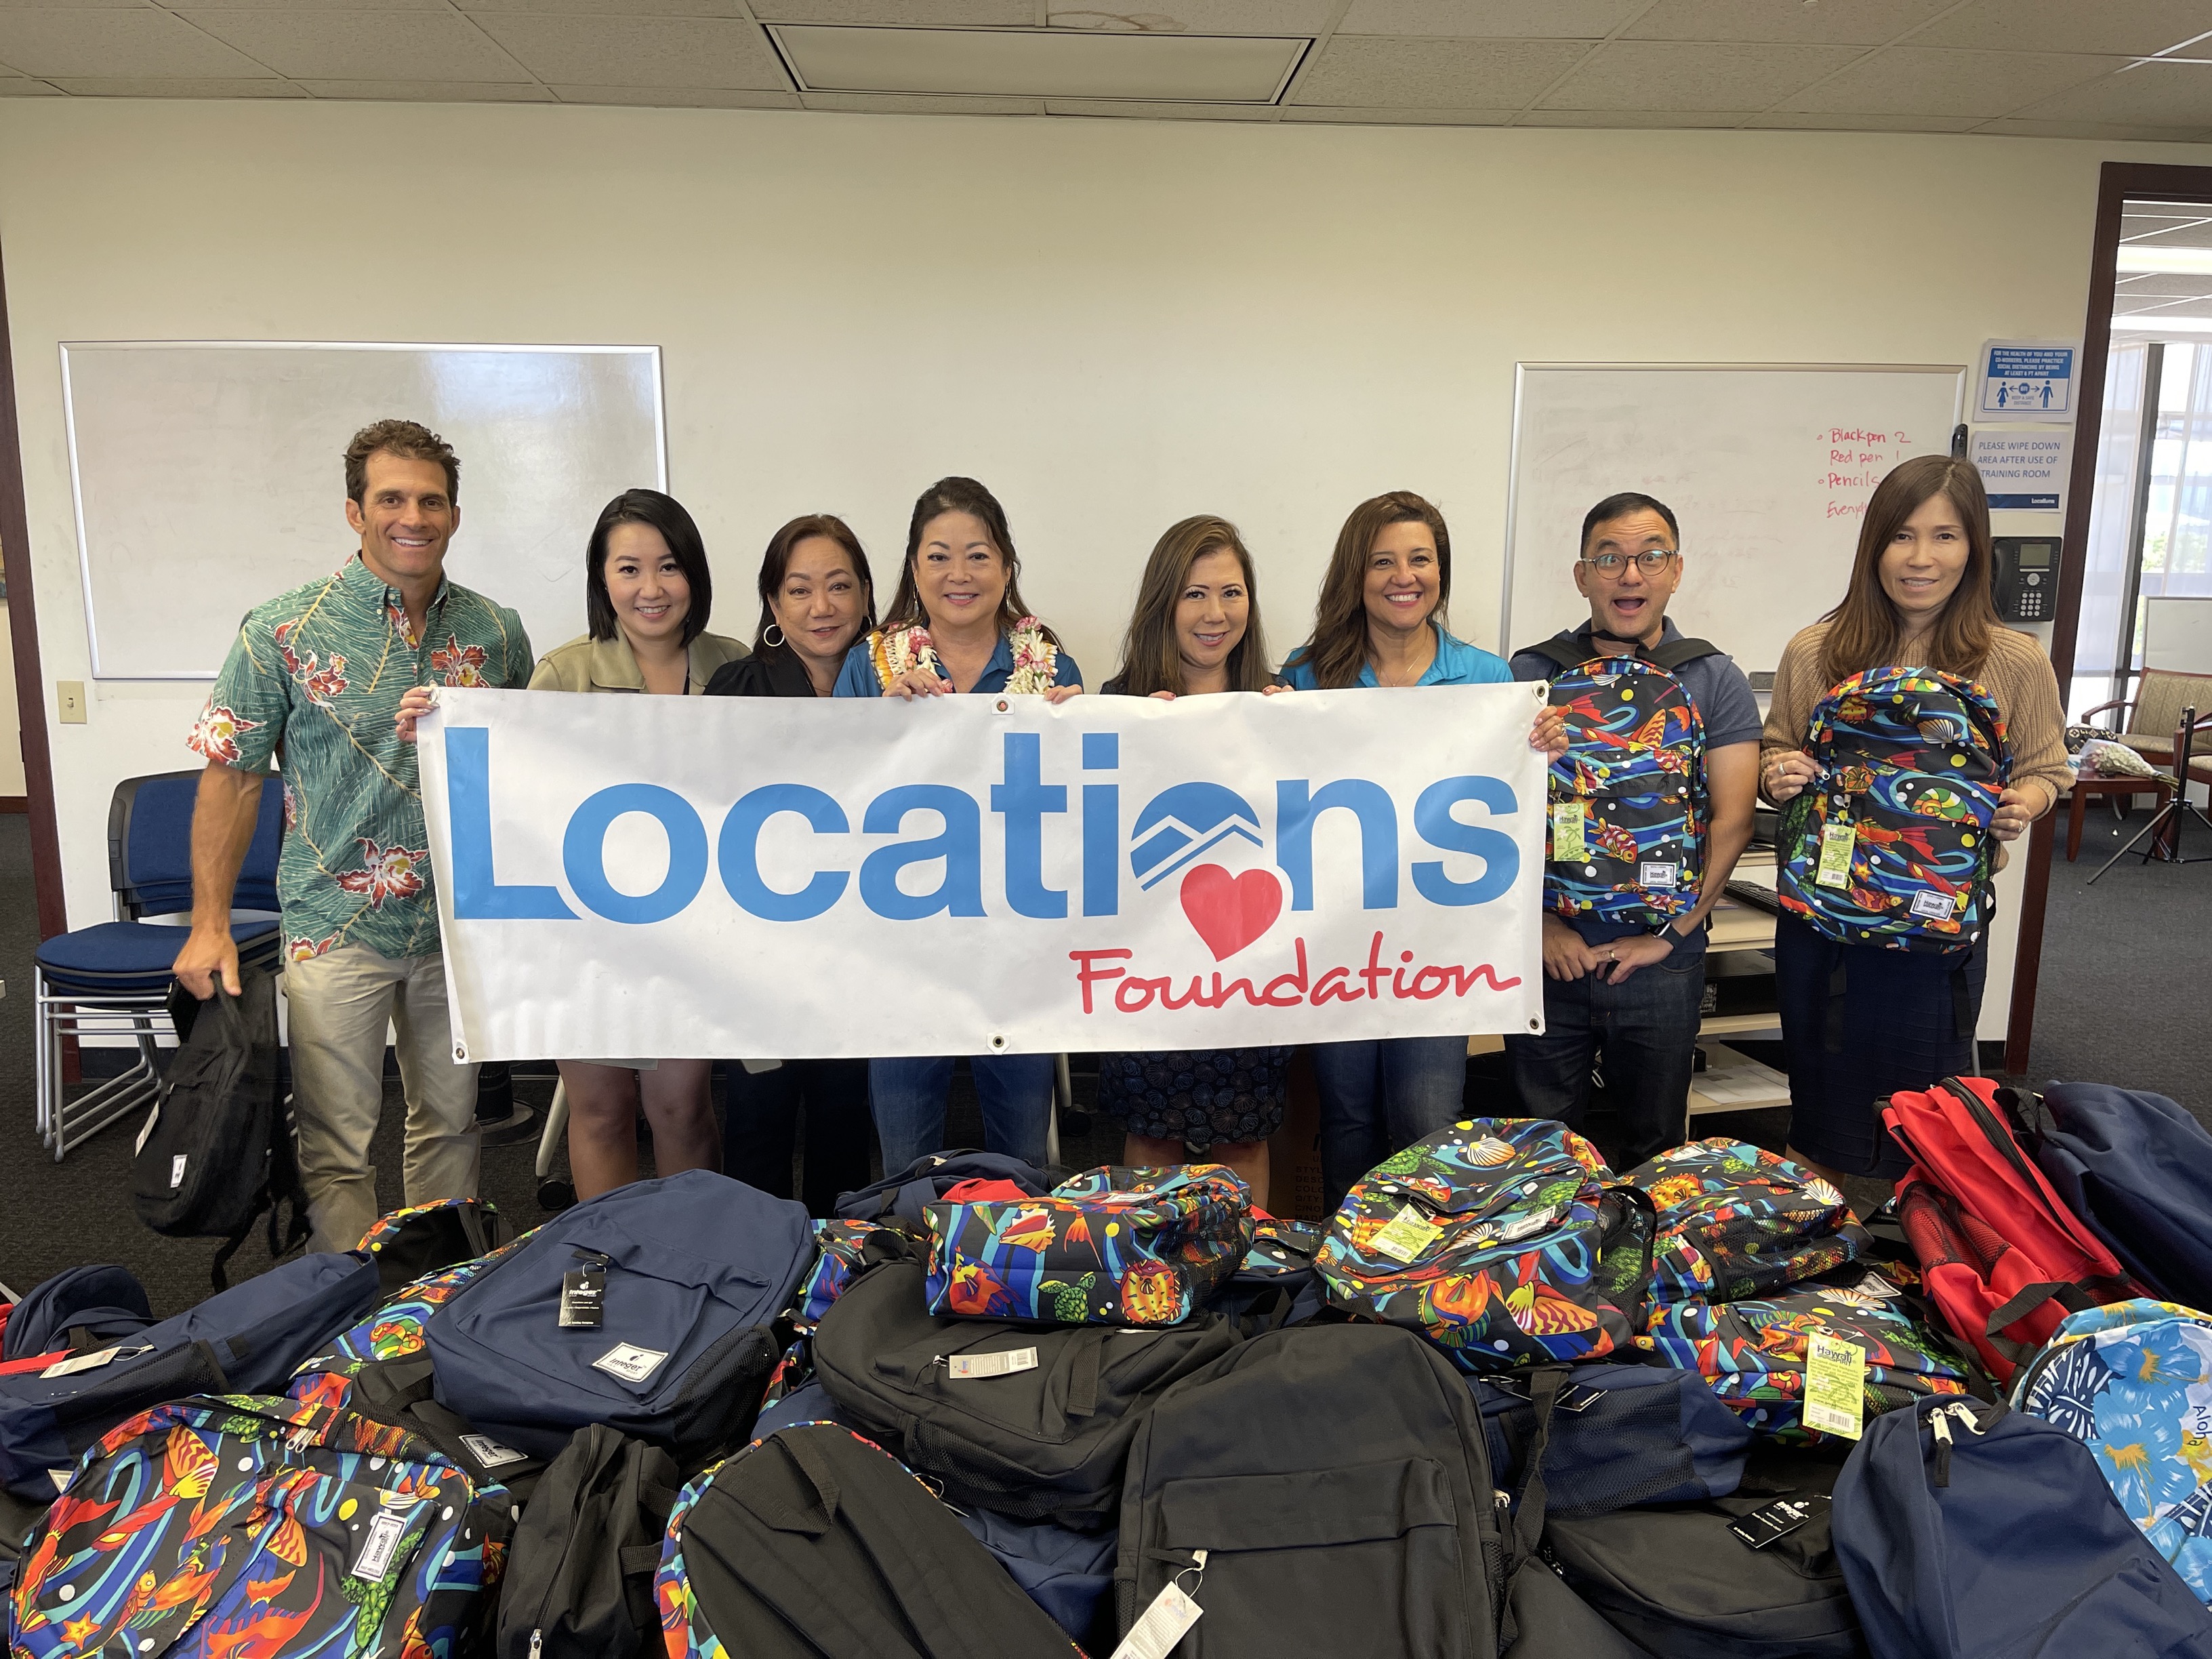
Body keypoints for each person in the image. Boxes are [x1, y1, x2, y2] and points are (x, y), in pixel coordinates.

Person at [174, 419, 533, 1254]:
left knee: (451, 1126)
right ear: (355, 511)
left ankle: (434, 1294)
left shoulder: (497, 632)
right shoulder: (282, 630)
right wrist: (209, 923)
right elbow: (231, 776)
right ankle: (342, 1306)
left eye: (431, 501)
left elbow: (526, 764)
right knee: (335, 1146)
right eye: (392, 499)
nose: (414, 517)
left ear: (455, 515)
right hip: (335, 922)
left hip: (456, 925)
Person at [1762, 456, 2068, 1186]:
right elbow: (1778, 750)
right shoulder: (1816, 650)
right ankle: (1817, 1240)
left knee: (1931, 1123)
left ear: (1975, 549)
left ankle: (1928, 1245)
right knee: (1820, 1114)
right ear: (1874, 545)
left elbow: (2048, 768)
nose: (1921, 558)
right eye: (1902, 536)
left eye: (1945, 536)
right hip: (1824, 922)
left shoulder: (2015, 659)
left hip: (1935, 927)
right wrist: (1780, 775)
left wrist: (2024, 802)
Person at [1280, 490, 1565, 1210]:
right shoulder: (1308, 674)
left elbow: (1509, 804)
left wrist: (1542, 749)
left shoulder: (1489, 679)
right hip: (1340, 941)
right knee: (1348, 1118)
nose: (1403, 577)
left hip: (1440, 946)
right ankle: (1351, 1258)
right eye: (1383, 562)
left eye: (1420, 559)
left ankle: (1425, 1260)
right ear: (1356, 574)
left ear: (1441, 572)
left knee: (1428, 1121)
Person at [1504, 492, 1761, 1172]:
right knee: (1542, 1153)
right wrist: (1538, 926)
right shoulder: (1532, 674)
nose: (1630, 575)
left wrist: (1670, 936)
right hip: (1548, 953)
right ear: (1581, 575)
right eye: (1609, 559)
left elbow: (1732, 820)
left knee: (1656, 1149)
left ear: (1675, 571)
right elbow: (1497, 817)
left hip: (1664, 956)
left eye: (1650, 557)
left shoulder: (1714, 677)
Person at [834, 476, 1083, 1172]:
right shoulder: (872, 664)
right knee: (905, 1159)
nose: (959, 574)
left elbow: (1076, 813)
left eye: (978, 555)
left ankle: (1016, 1245)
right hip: (904, 942)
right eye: (939, 556)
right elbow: (833, 796)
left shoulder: (1050, 665)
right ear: (914, 569)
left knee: (1023, 1155)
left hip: (1018, 938)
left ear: (1007, 565)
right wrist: (880, 723)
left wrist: (1080, 728)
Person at [521, 489, 744, 1199]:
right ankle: (607, 1254)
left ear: (694, 573)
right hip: (585, 932)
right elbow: (515, 797)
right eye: (629, 569)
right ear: (602, 579)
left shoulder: (734, 664)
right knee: (603, 1110)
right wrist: (441, 727)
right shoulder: (563, 675)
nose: (652, 588)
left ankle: (691, 1252)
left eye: (669, 566)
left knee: (681, 1107)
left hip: (697, 930)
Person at [1094, 515, 1291, 1207]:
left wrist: (1302, 735)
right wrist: (1074, 726)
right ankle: (1156, 1262)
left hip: (1251, 957)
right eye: (1195, 594)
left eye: (1231, 593)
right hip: (1150, 962)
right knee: (1153, 1135)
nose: (1215, 614)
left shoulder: (1280, 703)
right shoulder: (1117, 704)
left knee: (1245, 1137)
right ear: (1164, 603)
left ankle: (1249, 1260)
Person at [705, 514, 881, 1213]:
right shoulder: (736, 689)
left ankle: (843, 1268)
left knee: (846, 1121)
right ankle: (759, 1266)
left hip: (865, 945)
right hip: (762, 948)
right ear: (773, 604)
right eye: (800, 589)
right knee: (758, 1120)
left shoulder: (898, 689)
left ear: (866, 594)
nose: (822, 607)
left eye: (839, 586)